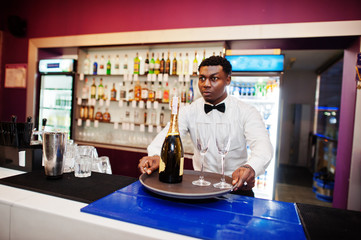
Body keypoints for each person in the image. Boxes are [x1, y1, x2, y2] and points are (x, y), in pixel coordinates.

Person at [138, 56, 273, 196]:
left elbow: (263, 147)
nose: (206, 84)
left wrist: (250, 168)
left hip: (236, 187)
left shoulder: (246, 111)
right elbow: (165, 138)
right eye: (202, 78)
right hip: (200, 186)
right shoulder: (189, 111)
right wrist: (154, 156)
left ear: (228, 80)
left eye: (214, 78)